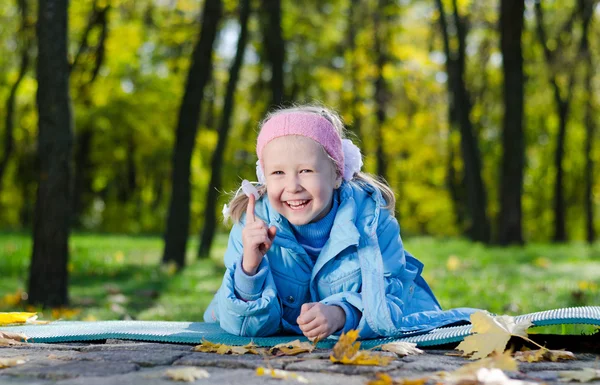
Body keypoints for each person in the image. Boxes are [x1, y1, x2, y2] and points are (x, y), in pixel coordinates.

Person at [204, 105, 475, 340]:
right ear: (263, 177)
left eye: (306, 171)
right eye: (277, 172)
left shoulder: (372, 223)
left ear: (337, 174)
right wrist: (249, 270)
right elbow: (242, 326)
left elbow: (391, 296)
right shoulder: (251, 227)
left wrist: (343, 313)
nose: (292, 186)